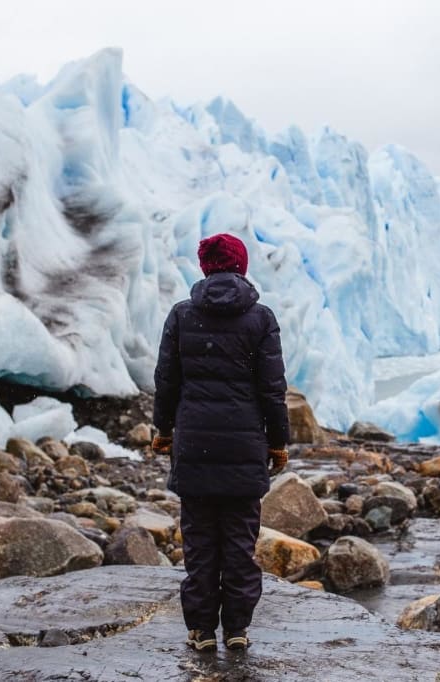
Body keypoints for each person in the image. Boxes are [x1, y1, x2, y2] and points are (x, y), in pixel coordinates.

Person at [150, 233, 290, 653]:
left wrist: (163, 430)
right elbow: (272, 389)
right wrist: (278, 442)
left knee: (200, 545)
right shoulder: (260, 319)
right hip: (245, 450)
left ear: (205, 267)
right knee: (239, 544)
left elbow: (166, 381)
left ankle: (201, 631)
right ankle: (237, 629)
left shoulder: (182, 316)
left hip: (194, 448)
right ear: (242, 266)